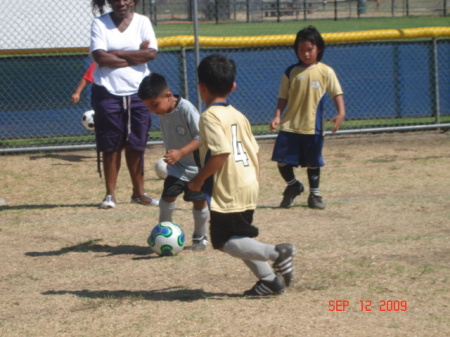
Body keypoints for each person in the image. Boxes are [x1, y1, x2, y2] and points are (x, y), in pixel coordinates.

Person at [188, 54, 296, 296]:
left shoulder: (209, 117)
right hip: (247, 183)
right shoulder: (239, 115)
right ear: (233, 87)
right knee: (240, 237)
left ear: (201, 87)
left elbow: (220, 153)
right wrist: (254, 180)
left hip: (229, 188)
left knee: (225, 243)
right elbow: (255, 151)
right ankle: (269, 281)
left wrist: (197, 180)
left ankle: (277, 253)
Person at [90, 0, 159, 209]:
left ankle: (139, 193)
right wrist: (135, 56)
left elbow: (151, 54)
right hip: (107, 91)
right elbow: (99, 56)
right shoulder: (99, 23)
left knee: (137, 144)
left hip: (139, 91)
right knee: (111, 145)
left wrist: (115, 54)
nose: (122, 2)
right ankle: (110, 195)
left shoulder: (143, 22)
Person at [269, 25, 346, 210]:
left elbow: (336, 93)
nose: (305, 54)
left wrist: (340, 113)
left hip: (313, 127)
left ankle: (315, 195)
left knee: (313, 162)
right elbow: (283, 97)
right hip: (290, 125)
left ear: (318, 48)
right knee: (281, 160)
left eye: (309, 49)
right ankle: (293, 185)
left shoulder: (326, 71)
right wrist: (277, 116)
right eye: (301, 50)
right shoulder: (291, 72)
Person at [138, 73, 209, 251]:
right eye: (148, 107)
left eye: (154, 105)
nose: (152, 110)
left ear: (168, 96)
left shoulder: (186, 109)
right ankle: (162, 232)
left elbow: (202, 137)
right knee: (167, 198)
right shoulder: (163, 110)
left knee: (199, 201)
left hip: (196, 168)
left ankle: (200, 236)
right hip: (178, 168)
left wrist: (180, 152)